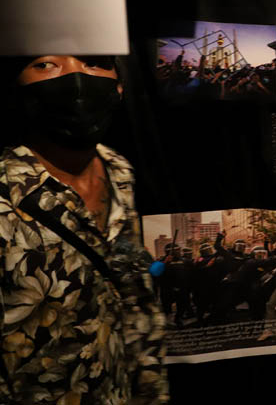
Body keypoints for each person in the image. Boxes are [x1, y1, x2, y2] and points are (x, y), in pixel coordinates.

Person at [0, 55, 168, 404]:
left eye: (94, 62)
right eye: (45, 64)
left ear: (119, 86)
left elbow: (135, 299)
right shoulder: (5, 195)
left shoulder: (118, 171)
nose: (77, 79)